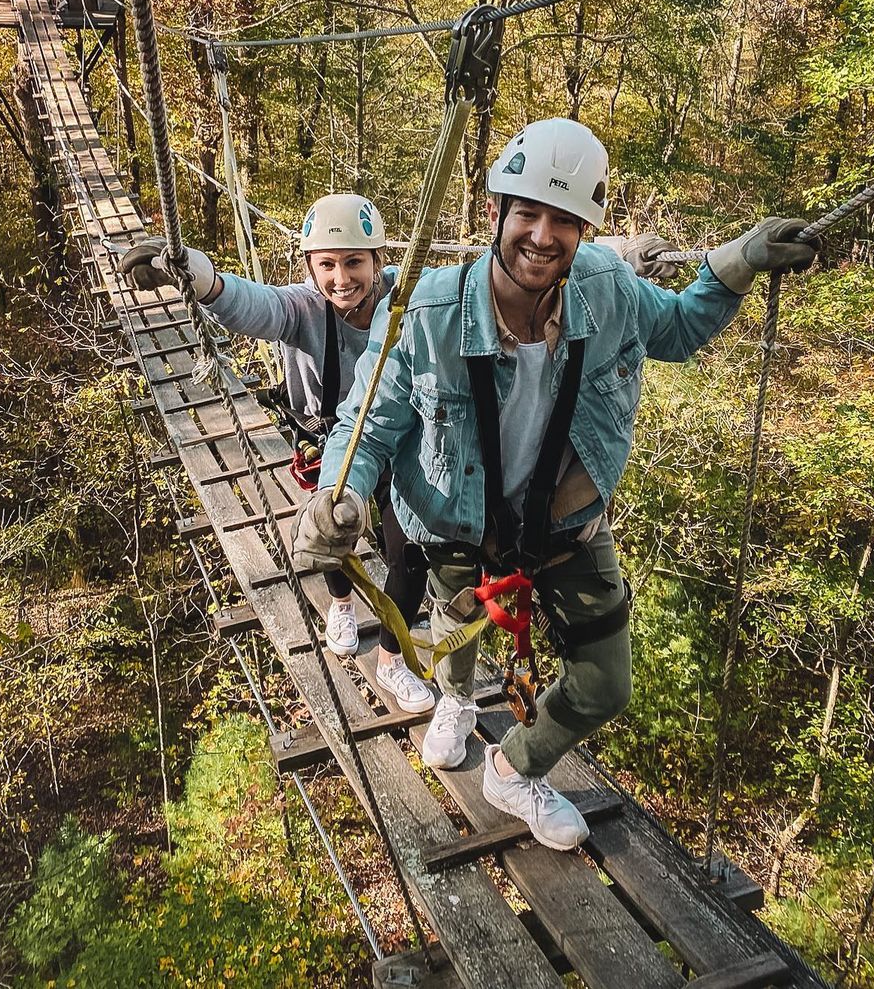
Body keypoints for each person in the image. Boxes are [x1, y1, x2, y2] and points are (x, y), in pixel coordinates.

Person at [291, 118, 820, 851]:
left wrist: (738, 263)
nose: (543, 236)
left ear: (584, 229)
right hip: (452, 513)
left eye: (565, 220)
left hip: (565, 517)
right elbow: (368, 419)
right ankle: (455, 702)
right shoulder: (426, 309)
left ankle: (514, 767)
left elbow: (675, 329)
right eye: (528, 213)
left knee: (605, 682)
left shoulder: (605, 288)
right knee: (455, 635)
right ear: (493, 214)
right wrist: (341, 493)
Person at [119, 194, 437, 713]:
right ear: (311, 267)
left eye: (354, 262)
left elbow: (470, 296)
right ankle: (340, 605)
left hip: (394, 440)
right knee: (331, 531)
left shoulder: (410, 297)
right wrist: (205, 281)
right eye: (327, 265)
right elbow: (258, 307)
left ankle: (391, 661)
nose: (341, 279)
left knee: (411, 553)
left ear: (379, 259)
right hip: (328, 435)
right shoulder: (305, 308)